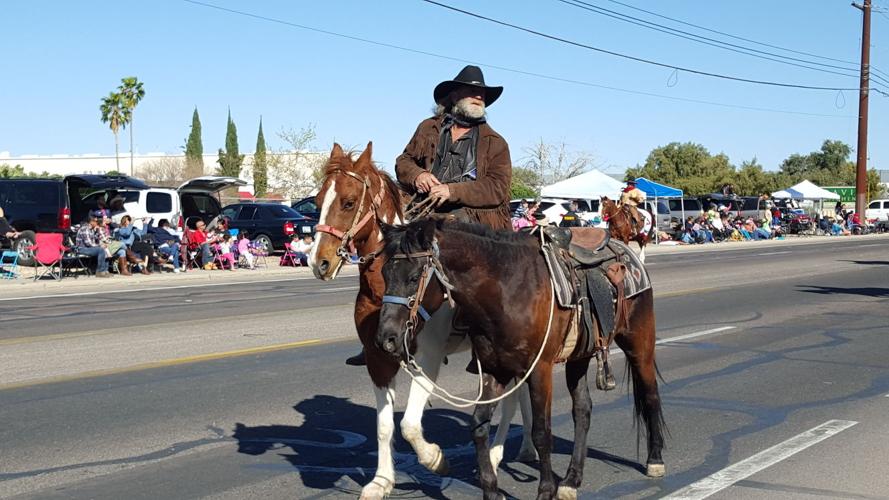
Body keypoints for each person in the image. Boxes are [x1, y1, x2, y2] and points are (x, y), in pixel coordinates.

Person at [343, 65, 512, 367]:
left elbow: (497, 188)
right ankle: (378, 334)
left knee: (472, 272)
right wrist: (418, 174)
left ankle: (479, 339)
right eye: (472, 91)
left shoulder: (494, 143)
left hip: (470, 218)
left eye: (482, 94)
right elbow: (403, 161)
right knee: (385, 254)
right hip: (421, 211)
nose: (479, 96)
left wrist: (452, 190)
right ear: (454, 95)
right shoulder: (428, 128)